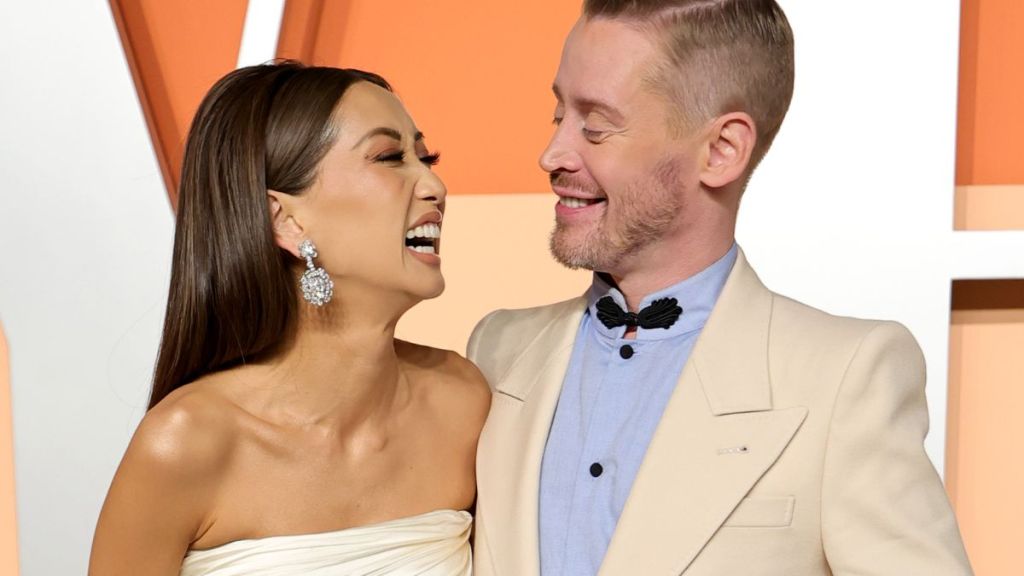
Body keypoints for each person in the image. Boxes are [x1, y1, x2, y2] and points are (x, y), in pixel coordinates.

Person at [467, 1, 973, 575]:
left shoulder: (845, 375)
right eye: (557, 112)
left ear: (721, 150)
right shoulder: (495, 351)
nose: (552, 154)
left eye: (596, 126)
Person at [89, 61, 489, 575]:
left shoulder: (464, 403)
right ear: (286, 219)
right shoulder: (188, 443)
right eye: (390, 157)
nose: (434, 184)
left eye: (425, 156)